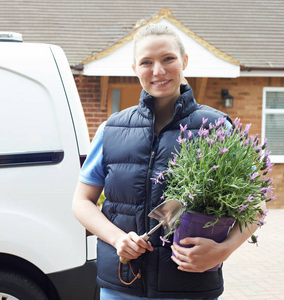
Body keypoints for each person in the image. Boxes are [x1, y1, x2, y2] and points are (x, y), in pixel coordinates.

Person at [72, 23, 266, 299]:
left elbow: (256, 203)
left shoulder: (217, 128)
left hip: (190, 287)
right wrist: (117, 238)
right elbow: (81, 202)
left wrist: (223, 251)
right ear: (134, 68)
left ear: (184, 61)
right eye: (146, 62)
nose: (158, 71)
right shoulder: (111, 129)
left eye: (168, 59)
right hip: (122, 286)